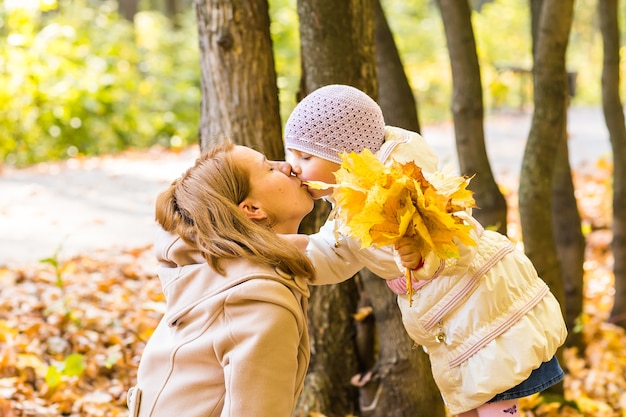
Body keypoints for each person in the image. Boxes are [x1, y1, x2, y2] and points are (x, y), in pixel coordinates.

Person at [282, 84, 567, 417]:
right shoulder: (348, 208)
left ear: (347, 157)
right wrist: (282, 253)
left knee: (493, 397)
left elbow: (459, 234)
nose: (294, 166)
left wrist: (421, 257)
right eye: (290, 154)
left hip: (483, 303)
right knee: (471, 401)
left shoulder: (404, 182)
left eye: (305, 156)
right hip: (454, 315)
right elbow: (333, 253)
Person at [126, 140, 316, 417]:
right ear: (251, 209)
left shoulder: (217, 273)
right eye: (269, 168)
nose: (286, 166)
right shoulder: (258, 304)